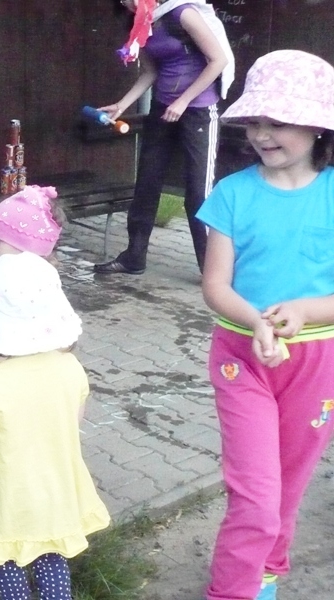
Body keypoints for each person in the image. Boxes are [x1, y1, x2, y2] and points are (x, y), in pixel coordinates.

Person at [196, 50, 334, 600]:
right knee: (255, 494)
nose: (261, 133)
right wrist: (258, 322)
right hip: (242, 357)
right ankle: (231, 591)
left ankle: (267, 576)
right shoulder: (231, 194)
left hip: (317, 363)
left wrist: (305, 311)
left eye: (277, 120)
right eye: (255, 120)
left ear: (318, 125)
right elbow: (215, 286)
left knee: (288, 488)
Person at [0, 185, 111, 600]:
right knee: (50, 551)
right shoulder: (70, 368)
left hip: (8, 499)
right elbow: (72, 421)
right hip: (56, 493)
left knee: (4, 556)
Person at [94, 0, 233, 275]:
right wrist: (121, 105)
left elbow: (218, 61)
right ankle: (134, 257)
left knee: (198, 192)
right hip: (162, 108)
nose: (127, 2)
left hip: (198, 110)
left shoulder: (183, 13)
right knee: (147, 182)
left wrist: (183, 101)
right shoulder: (140, 23)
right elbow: (151, 71)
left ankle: (212, 270)